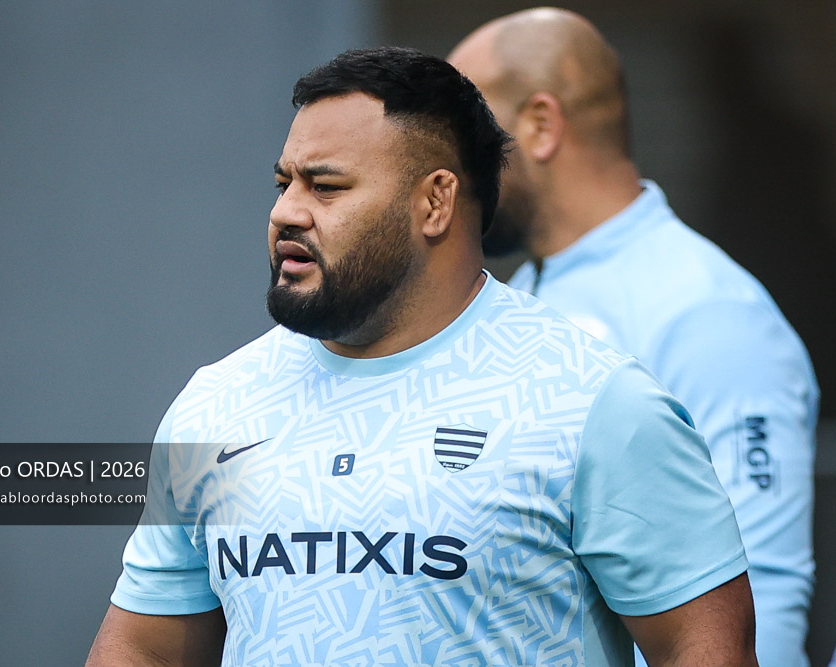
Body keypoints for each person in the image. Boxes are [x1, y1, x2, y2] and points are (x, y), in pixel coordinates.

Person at [86, 47, 757, 666]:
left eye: (326, 186)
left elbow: (703, 647)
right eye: (282, 183)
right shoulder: (217, 404)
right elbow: (143, 649)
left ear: (435, 201)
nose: (287, 212)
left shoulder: (594, 402)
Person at [448, 9, 818, 667]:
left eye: (463, 135)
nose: (447, 170)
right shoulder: (514, 297)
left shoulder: (710, 312)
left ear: (538, 125)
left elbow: (761, 605)